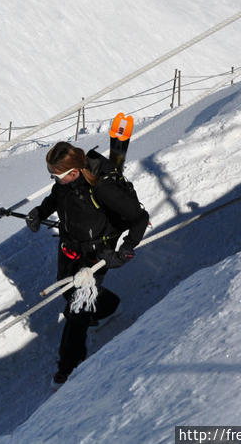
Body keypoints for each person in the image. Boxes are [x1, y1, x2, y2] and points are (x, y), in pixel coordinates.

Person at [25, 141, 148, 387]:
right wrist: (39, 213)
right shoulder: (64, 185)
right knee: (68, 294)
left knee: (76, 311)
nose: (54, 179)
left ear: (73, 172)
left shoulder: (102, 189)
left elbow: (139, 217)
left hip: (96, 255)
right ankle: (106, 306)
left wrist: (124, 251)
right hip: (70, 248)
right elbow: (55, 197)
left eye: (56, 175)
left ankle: (68, 368)